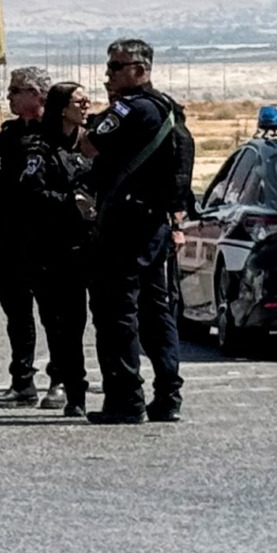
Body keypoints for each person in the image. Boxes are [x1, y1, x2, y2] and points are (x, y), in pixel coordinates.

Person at [81, 39, 195, 425]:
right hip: (155, 224)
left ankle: (125, 398)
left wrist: (96, 120)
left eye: (116, 67)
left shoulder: (131, 109)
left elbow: (89, 145)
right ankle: (168, 395)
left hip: (126, 225)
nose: (108, 74)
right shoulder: (168, 111)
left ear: (140, 70)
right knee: (156, 310)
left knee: (117, 312)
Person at [0, 67, 52, 406]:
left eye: (16, 90)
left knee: (54, 313)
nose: (9, 97)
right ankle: (23, 382)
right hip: (8, 236)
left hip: (44, 237)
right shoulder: (10, 132)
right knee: (17, 315)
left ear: (37, 95)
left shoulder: (55, 132)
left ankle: (61, 380)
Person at [26, 82, 97, 415]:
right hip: (55, 249)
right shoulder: (40, 149)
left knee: (98, 321)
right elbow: (30, 195)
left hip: (91, 245)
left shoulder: (91, 143)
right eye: (78, 101)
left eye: (86, 100)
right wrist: (71, 204)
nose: (85, 106)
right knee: (65, 325)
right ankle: (74, 392)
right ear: (61, 107)